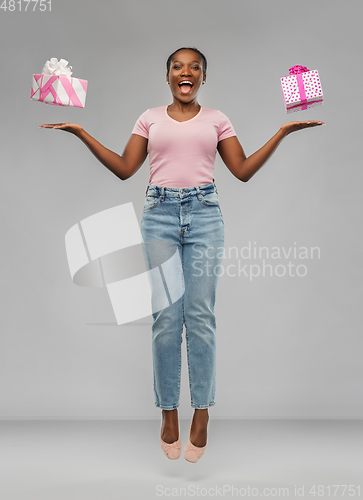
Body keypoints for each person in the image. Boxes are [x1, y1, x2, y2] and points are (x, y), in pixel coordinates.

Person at [40, 46, 325, 463]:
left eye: (194, 67)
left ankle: (203, 411)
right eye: (178, 66)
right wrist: (81, 133)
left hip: (206, 216)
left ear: (203, 79)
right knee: (166, 318)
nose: (185, 72)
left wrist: (281, 133)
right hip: (159, 215)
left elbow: (241, 170)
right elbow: (124, 167)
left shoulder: (217, 120)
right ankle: (169, 411)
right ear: (168, 76)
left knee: (201, 316)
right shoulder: (149, 118)